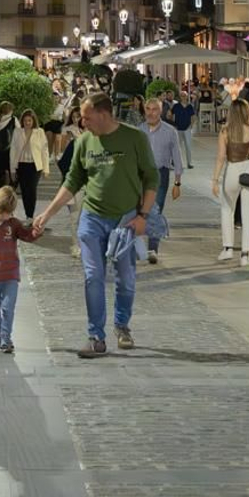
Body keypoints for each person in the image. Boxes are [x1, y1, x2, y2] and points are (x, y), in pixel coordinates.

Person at [33, 93, 158, 357]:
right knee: (93, 276)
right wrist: (46, 215)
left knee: (126, 280)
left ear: (104, 114)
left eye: (87, 117)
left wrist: (143, 217)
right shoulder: (84, 142)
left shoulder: (135, 138)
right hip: (91, 218)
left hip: (125, 221)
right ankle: (96, 337)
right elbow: (71, 182)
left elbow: (151, 179)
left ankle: (122, 325)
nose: (83, 122)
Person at [0, 186, 43, 354]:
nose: (5, 216)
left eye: (9, 213)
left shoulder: (14, 224)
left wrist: (36, 231)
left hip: (11, 274)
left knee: (8, 307)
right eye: (2, 212)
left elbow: (27, 236)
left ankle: (5, 338)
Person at [213, 99, 249, 267]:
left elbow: (221, 157)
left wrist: (215, 179)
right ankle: (245, 254)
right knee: (248, 214)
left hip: (232, 170)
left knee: (227, 209)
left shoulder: (225, 131)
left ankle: (228, 249)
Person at [139, 98, 184, 263]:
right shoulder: (139, 130)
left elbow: (177, 157)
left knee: (155, 210)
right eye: (148, 109)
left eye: (154, 109)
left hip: (160, 174)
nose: (151, 113)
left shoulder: (170, 131)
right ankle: (133, 245)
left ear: (161, 111)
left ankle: (152, 248)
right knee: (139, 211)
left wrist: (177, 183)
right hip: (140, 175)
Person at [10, 109, 51, 219]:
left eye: (29, 120)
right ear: (22, 121)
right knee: (24, 190)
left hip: (35, 166)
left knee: (32, 189)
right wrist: (12, 169)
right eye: (25, 120)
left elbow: (44, 150)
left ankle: (30, 215)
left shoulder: (39, 132)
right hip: (22, 164)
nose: (27, 123)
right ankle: (28, 214)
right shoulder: (17, 132)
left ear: (33, 121)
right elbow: (13, 150)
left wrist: (46, 169)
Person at [0, 101, 17, 191]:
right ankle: (12, 186)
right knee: (11, 169)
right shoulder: (13, 120)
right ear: (10, 110)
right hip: (11, 148)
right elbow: (18, 133)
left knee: (0, 170)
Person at [170, 93, 195, 169]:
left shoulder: (190, 106)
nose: (183, 97)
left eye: (184, 96)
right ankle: (177, 163)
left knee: (188, 147)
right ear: (180, 97)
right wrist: (173, 124)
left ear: (187, 97)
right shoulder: (176, 106)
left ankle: (189, 163)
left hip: (187, 128)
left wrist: (191, 125)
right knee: (177, 147)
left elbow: (193, 117)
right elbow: (170, 114)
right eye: (181, 96)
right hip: (178, 129)